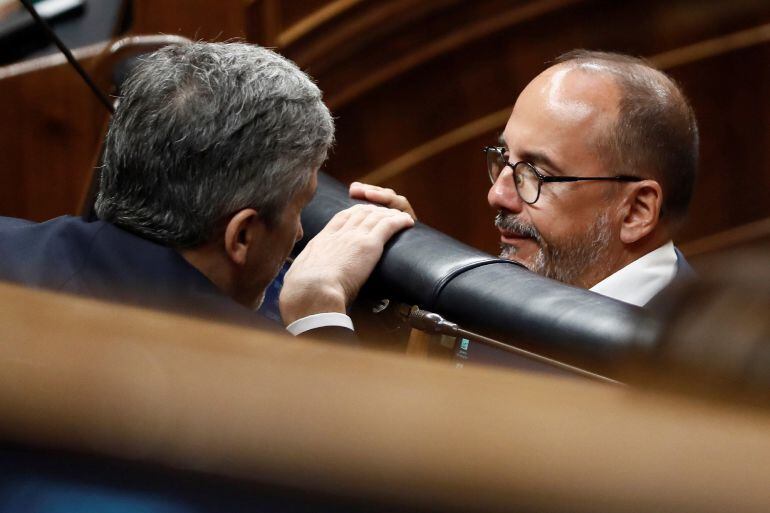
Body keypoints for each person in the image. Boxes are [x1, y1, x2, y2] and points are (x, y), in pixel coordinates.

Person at [0, 42, 413, 336]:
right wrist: (321, 312)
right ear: (243, 235)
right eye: (300, 208)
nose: (302, 234)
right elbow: (353, 450)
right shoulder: (252, 383)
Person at [351, 50, 697, 307]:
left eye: (536, 174)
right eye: (504, 158)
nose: (498, 195)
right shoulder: (505, 297)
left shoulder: (696, 376)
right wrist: (405, 270)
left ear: (636, 211)